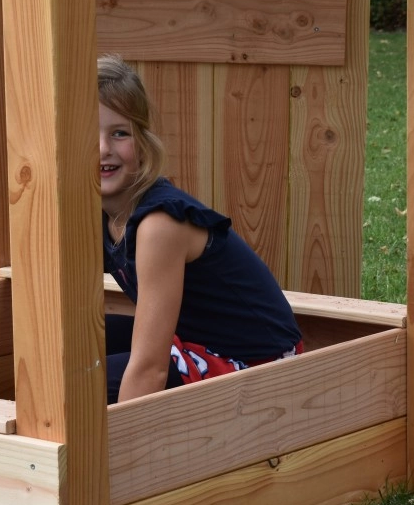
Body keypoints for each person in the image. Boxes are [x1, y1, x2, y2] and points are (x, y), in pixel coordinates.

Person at [98, 54, 303, 403]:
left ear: (143, 143)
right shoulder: (101, 214)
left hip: (257, 366)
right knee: (82, 345)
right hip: (191, 342)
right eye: (89, 134)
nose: (104, 149)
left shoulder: (158, 224)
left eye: (120, 133)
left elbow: (149, 368)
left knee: (89, 385)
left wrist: (125, 431)